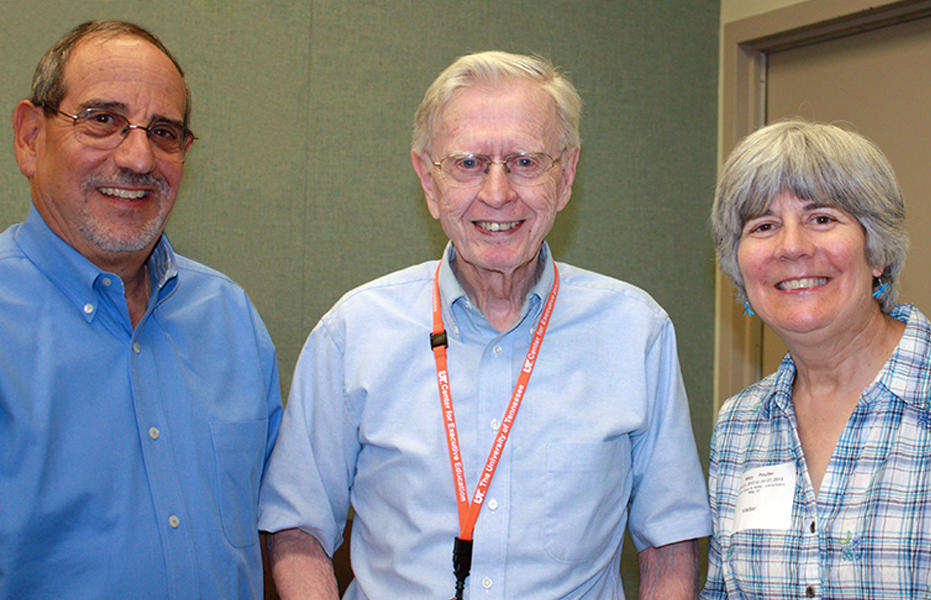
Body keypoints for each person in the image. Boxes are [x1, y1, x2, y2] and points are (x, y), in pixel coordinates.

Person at [259, 50, 710, 599]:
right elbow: (297, 528)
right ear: (429, 179)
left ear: (565, 176)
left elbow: (671, 544)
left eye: (525, 161)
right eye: (468, 163)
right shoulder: (352, 333)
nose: (497, 193)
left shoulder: (636, 332)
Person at [0, 20, 283, 599]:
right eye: (102, 120)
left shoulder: (229, 318)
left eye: (164, 132)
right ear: (30, 136)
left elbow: (278, 526)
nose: (138, 157)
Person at [701, 119, 931, 598]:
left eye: (822, 218)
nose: (792, 247)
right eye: (764, 225)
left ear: (876, 249)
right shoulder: (740, 424)